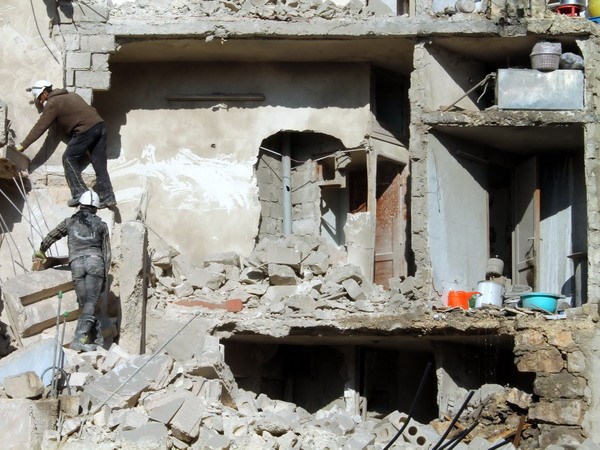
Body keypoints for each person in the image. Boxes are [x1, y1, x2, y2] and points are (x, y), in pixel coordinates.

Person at [17, 80, 116, 209]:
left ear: (45, 92)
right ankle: (108, 197)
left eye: (40, 97)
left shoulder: (53, 103)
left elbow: (39, 127)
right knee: (99, 163)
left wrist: (22, 146)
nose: (40, 102)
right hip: (100, 126)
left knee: (68, 158)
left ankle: (80, 194)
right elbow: (91, 110)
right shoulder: (72, 95)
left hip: (86, 130)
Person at [36, 190, 111, 352]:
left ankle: (95, 338)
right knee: (90, 303)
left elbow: (52, 236)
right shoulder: (102, 226)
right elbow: (107, 254)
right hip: (95, 263)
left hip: (76, 264)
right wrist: (105, 277)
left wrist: (41, 250)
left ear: (80, 205)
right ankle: (79, 339)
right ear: (96, 208)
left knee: (86, 303)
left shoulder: (69, 222)